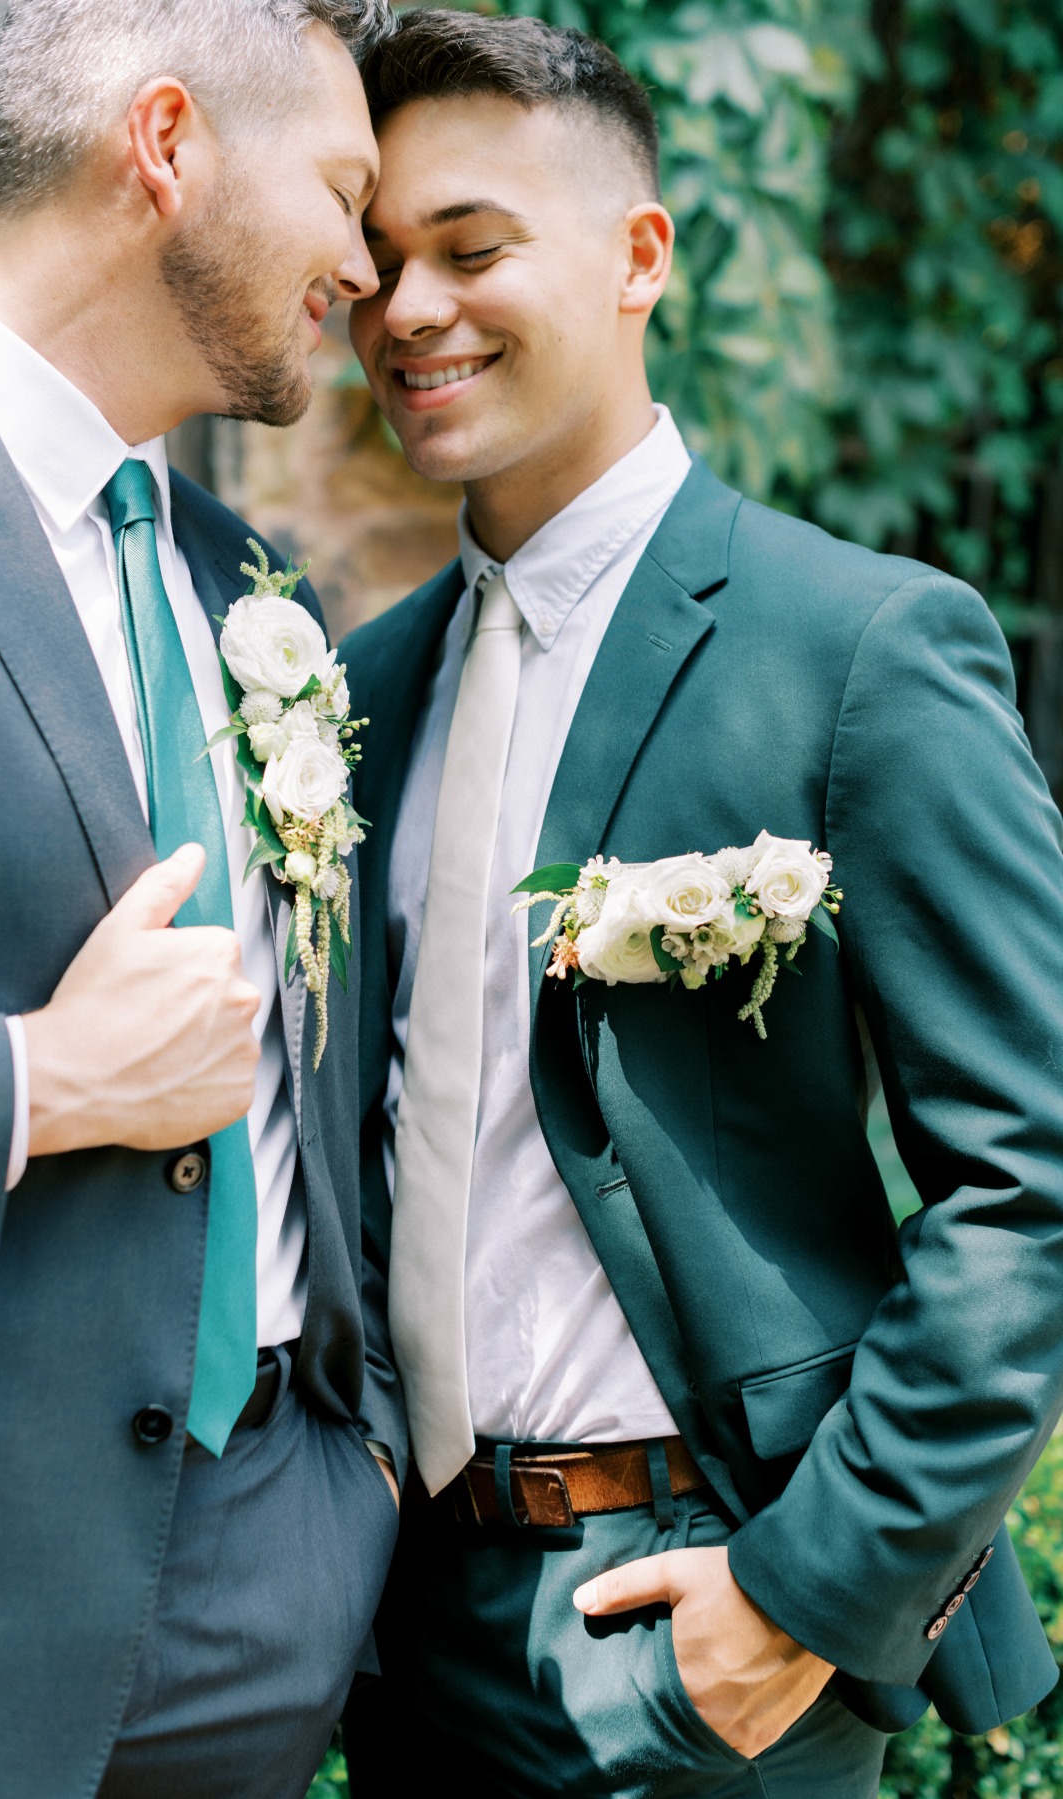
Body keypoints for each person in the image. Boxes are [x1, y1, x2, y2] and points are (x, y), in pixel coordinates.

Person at [339, 12, 1063, 1797]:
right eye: (377, 265)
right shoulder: (357, 693)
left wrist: (804, 1593)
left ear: (640, 255)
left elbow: (1030, 1178)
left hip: (696, 1615)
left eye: (473, 249)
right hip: (390, 1617)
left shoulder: (859, 653)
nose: (408, 310)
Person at [0, 2, 405, 1795]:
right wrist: (35, 1085)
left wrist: (350, 1487)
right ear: (164, 146)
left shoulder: (249, 583)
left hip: (274, 1588)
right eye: (342, 193)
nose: (366, 264)